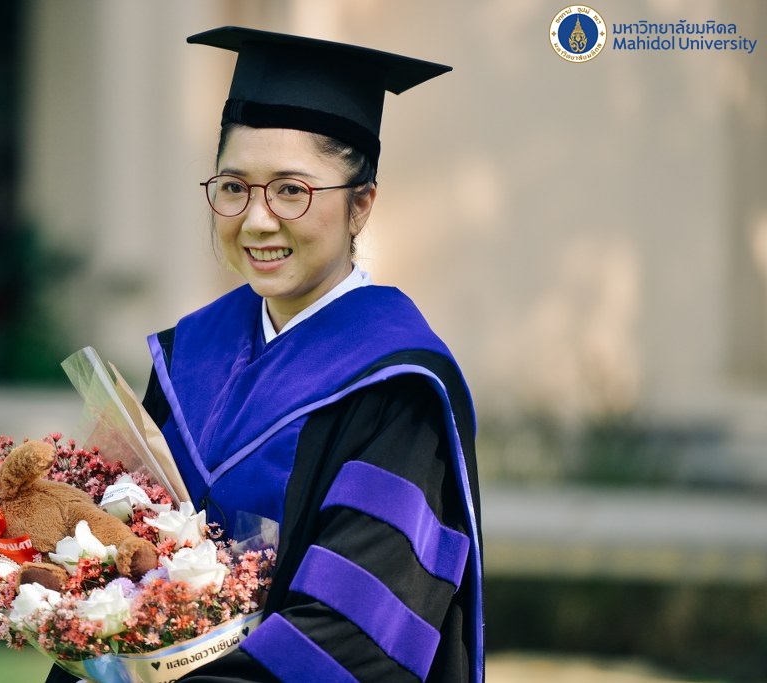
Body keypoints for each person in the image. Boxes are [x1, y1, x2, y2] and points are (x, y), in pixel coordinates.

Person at [47, 26, 483, 683]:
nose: (256, 220)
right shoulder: (187, 356)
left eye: (291, 190)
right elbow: (112, 563)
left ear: (361, 204)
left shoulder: (397, 386)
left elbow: (355, 636)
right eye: (234, 186)